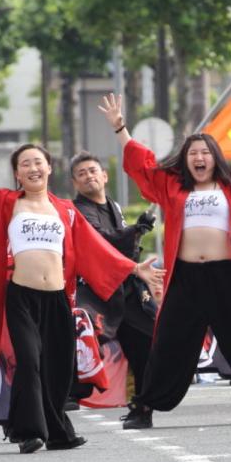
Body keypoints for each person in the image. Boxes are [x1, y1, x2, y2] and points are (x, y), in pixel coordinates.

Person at [0, 119, 165, 454]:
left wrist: (133, 268)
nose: (33, 168)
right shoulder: (6, 204)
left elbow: (94, 250)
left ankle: (57, 432)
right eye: (25, 164)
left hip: (57, 299)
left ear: (49, 169)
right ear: (17, 175)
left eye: (38, 162)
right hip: (21, 296)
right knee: (29, 361)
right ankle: (27, 431)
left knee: (57, 366)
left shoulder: (65, 210)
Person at [99, 93, 231, 429]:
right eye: (192, 154)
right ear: (185, 161)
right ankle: (144, 407)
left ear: (215, 158)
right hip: (186, 279)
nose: (199, 158)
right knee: (168, 342)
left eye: (205, 153)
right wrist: (120, 129)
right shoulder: (172, 187)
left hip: (227, 276)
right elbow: (145, 165)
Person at [69, 151, 158, 395]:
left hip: (125, 287)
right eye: (81, 174)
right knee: (86, 342)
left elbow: (121, 246)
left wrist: (136, 233)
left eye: (93, 171)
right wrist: (134, 231)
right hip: (96, 291)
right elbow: (99, 240)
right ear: (75, 183)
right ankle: (67, 395)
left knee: (147, 338)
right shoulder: (77, 211)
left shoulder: (114, 207)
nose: (88, 177)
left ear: (105, 176)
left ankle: (143, 402)